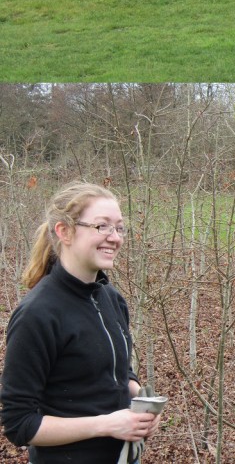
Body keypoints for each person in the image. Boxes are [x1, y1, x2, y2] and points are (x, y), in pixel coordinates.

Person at [1, 182, 161, 464]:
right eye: (102, 226)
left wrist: (141, 402)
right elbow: (20, 424)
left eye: (119, 228)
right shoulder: (37, 314)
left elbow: (120, 370)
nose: (115, 237)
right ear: (65, 231)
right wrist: (107, 424)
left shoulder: (111, 298)